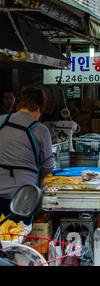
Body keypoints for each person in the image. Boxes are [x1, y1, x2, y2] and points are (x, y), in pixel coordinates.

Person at [0, 87, 55, 220]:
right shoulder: (40, 129)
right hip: (23, 195)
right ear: (38, 109)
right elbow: (48, 164)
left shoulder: (1, 120)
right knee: (19, 234)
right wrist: (42, 177)